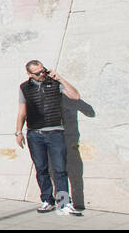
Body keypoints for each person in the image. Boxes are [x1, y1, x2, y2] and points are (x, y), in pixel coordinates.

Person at [15, 59, 82, 215]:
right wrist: (18, 132)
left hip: (55, 133)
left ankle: (64, 203)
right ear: (29, 74)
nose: (41, 74)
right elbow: (22, 112)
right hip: (34, 134)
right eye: (37, 73)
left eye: (43, 70)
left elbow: (76, 96)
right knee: (41, 169)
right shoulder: (24, 88)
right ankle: (47, 200)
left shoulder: (54, 83)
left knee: (60, 169)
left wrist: (59, 78)